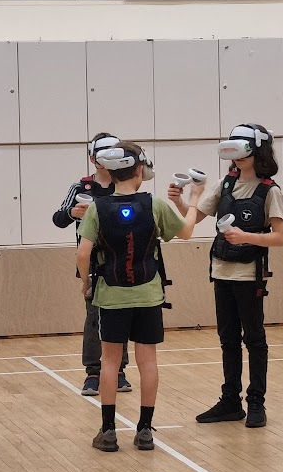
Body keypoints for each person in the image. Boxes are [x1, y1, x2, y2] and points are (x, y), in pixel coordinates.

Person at [77, 141, 202, 452]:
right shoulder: (154, 204)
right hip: (148, 295)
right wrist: (195, 199)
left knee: (109, 361)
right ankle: (145, 430)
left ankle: (108, 431)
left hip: (111, 296)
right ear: (139, 170)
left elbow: (83, 253)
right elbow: (186, 232)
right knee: (148, 362)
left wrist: (86, 283)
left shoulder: (97, 208)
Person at [169, 123, 283, 428]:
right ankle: (230, 401)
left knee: (254, 339)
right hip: (221, 271)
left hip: (249, 275)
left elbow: (280, 237)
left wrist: (246, 237)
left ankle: (256, 402)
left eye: (242, 148)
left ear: (257, 151)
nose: (237, 155)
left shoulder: (269, 190)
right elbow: (194, 216)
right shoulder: (225, 184)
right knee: (228, 339)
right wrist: (179, 200)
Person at [53, 133, 131, 396]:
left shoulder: (125, 185)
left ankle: (119, 370)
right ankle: (93, 372)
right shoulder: (80, 188)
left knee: (121, 316)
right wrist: (72, 213)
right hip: (92, 263)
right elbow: (58, 218)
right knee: (94, 318)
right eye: (102, 155)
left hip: (122, 261)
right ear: (92, 158)